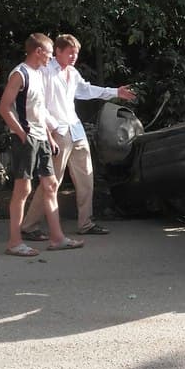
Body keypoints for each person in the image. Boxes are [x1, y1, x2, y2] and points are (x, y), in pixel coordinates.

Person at [21, 34, 135, 239]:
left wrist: (115, 91)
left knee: (86, 179)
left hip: (76, 130)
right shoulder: (45, 71)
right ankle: (29, 226)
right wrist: (52, 128)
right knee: (51, 181)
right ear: (58, 51)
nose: (74, 56)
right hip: (58, 133)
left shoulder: (72, 73)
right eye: (70, 52)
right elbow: (37, 104)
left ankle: (86, 223)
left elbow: (85, 90)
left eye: (76, 53)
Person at [0, 33, 84, 256]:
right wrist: (21, 133)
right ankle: (14, 243)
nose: (51, 57)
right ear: (38, 52)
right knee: (23, 190)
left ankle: (57, 238)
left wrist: (49, 136)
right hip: (25, 139)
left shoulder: (38, 74)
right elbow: (4, 108)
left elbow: (40, 110)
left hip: (41, 137)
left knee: (51, 185)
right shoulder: (20, 73)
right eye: (48, 52)